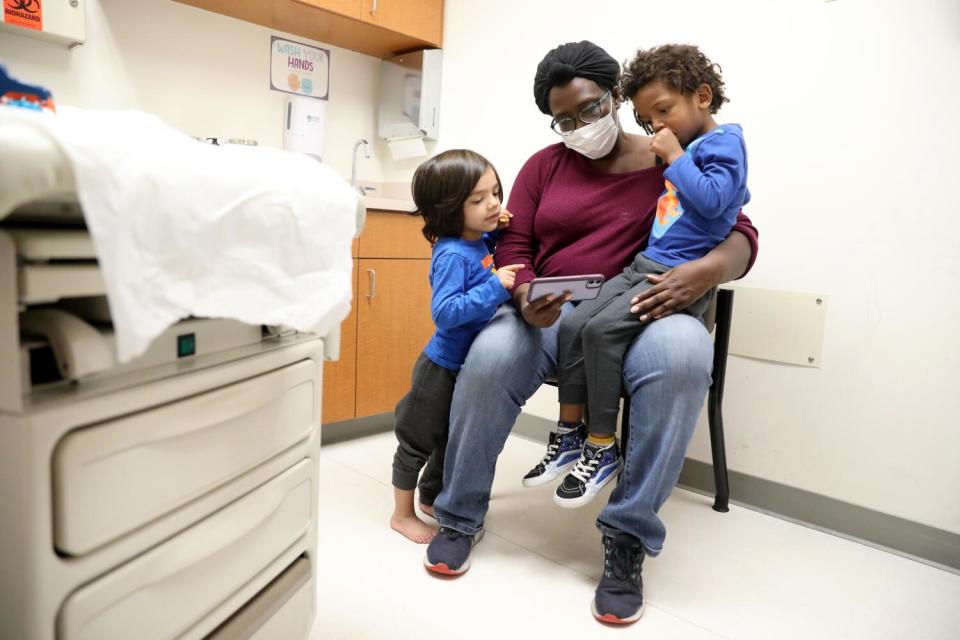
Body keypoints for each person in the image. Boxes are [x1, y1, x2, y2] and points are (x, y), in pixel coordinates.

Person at [423, 41, 759, 625]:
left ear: (616, 100)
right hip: (553, 308)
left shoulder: (669, 152)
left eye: (590, 108)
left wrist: (705, 271)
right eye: (563, 120)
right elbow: (516, 244)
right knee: (494, 350)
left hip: (644, 305)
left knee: (682, 354)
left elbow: (739, 229)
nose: (580, 126)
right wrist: (526, 293)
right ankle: (458, 513)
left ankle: (627, 540)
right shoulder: (543, 167)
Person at [545, 43, 751, 509]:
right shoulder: (696, 147)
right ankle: (569, 434)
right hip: (644, 264)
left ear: (702, 95)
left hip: (670, 275)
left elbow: (720, 202)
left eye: (664, 110)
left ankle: (602, 446)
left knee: (598, 331)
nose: (658, 126)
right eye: (648, 119)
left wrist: (676, 157)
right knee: (576, 323)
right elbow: (734, 193)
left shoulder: (723, 141)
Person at [389, 149, 521, 544]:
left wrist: (496, 231)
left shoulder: (476, 240)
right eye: (477, 200)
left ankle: (431, 498)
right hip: (441, 367)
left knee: (450, 436)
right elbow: (445, 312)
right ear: (449, 209)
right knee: (415, 442)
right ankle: (401, 514)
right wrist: (494, 287)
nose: (493, 203)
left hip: (465, 364)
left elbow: (481, 258)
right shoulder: (449, 254)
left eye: (495, 192)